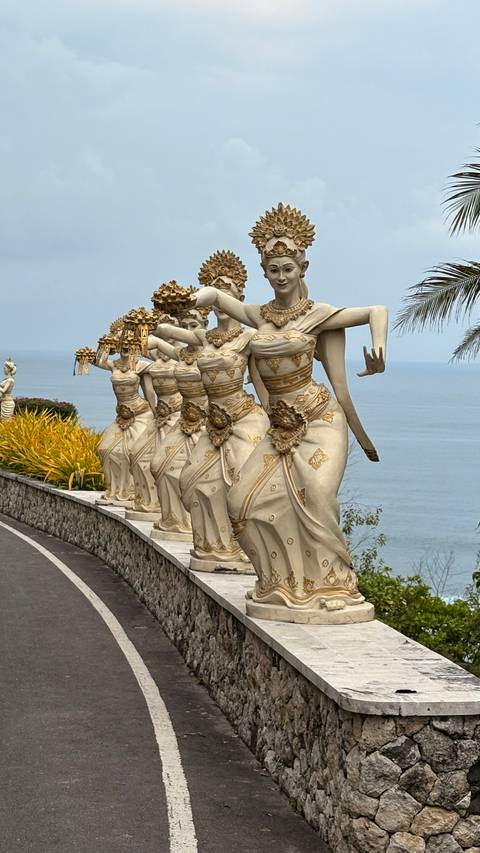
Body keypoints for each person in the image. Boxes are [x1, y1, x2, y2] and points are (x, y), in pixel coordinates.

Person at [194, 203, 387, 624]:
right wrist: (192, 299)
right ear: (264, 272)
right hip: (279, 426)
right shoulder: (258, 316)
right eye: (273, 270)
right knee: (241, 502)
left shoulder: (319, 314)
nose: (281, 277)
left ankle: (333, 585)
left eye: (288, 268)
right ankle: (282, 583)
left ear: (303, 266)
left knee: (316, 498)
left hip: (320, 419)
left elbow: (376, 310)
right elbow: (211, 296)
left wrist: (379, 353)